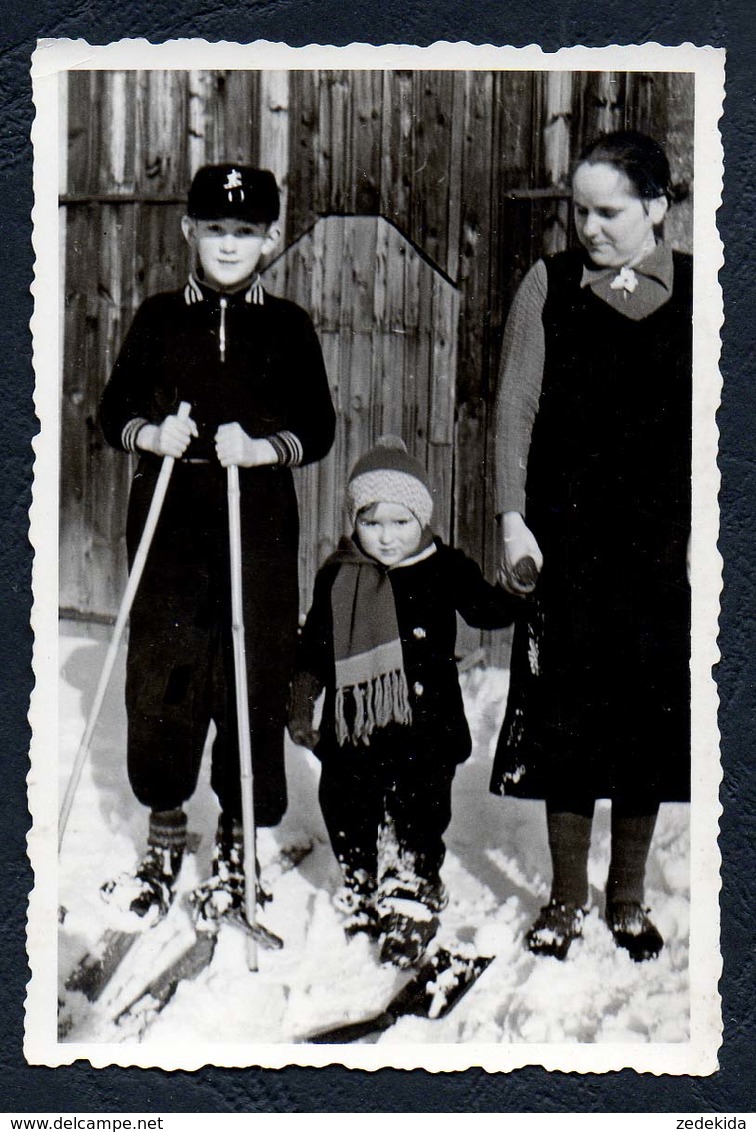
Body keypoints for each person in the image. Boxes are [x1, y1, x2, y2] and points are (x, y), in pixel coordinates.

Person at [99, 165, 336, 924]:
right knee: (165, 675)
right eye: (214, 229)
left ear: (270, 238)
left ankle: (240, 836)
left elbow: (319, 427)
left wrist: (266, 450)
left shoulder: (289, 324)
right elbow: (114, 412)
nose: (228, 245)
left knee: (252, 672)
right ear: (188, 232)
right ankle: (166, 829)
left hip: (257, 521)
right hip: (171, 523)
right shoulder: (161, 317)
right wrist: (153, 433)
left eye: (245, 232)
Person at [490, 130, 692, 962]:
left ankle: (629, 898)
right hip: (566, 541)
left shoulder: (702, 296)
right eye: (580, 210)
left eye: (609, 212)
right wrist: (511, 516)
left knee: (644, 718)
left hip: (661, 549)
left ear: (656, 209)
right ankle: (568, 895)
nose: (591, 228)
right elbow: (514, 409)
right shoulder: (548, 283)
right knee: (568, 717)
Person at [287, 437, 515, 967]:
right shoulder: (338, 573)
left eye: (400, 522)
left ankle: (412, 885)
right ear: (354, 522)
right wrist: (302, 700)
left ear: (422, 520)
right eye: (372, 523)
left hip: (425, 720)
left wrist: (517, 588)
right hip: (356, 724)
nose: (386, 538)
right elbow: (315, 645)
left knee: (420, 804)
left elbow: (484, 610)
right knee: (345, 799)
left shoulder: (445, 566)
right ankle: (362, 876)